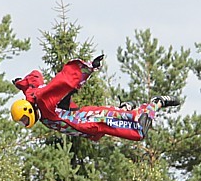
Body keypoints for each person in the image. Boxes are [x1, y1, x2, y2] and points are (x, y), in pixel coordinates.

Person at [10, 55, 180, 141]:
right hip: (89, 129)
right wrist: (20, 83)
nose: (25, 123)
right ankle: (125, 108)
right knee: (121, 126)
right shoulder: (32, 100)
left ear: (28, 110)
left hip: (88, 119)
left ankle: (156, 103)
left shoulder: (42, 102)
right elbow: (33, 81)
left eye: (24, 119)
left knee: (138, 131)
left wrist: (88, 68)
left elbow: (63, 81)